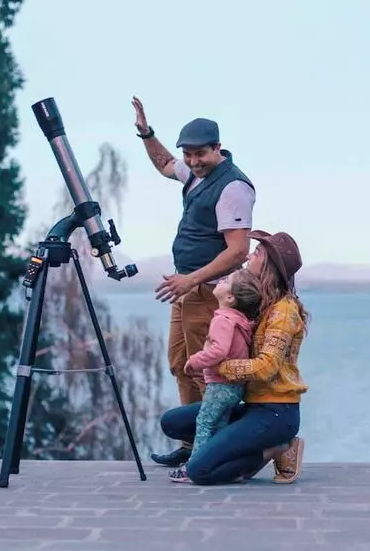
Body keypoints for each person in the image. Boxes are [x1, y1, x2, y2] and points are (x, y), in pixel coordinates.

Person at [131, 96, 256, 468]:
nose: (192, 161)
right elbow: (165, 164)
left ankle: (213, 449)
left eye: (200, 154)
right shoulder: (196, 175)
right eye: (189, 154)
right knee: (181, 363)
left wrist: (191, 281)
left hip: (210, 294)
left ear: (218, 148)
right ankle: (191, 443)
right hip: (186, 289)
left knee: (210, 375)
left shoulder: (233, 187)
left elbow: (237, 251)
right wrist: (146, 133)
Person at [162, 230, 309, 485]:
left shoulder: (283, 312)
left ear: (269, 266)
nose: (250, 256)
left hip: (276, 412)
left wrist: (220, 366)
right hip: (251, 405)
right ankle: (238, 445)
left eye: (258, 253)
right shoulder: (259, 302)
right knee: (172, 423)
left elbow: (267, 368)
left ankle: (277, 448)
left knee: (199, 471)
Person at [171, 269, 262, 483]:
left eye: (227, 280)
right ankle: (220, 464)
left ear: (230, 297)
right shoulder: (239, 320)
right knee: (220, 425)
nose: (221, 280)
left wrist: (194, 361)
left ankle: (193, 467)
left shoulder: (223, 319)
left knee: (203, 423)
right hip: (235, 387)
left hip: (220, 385)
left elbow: (218, 351)